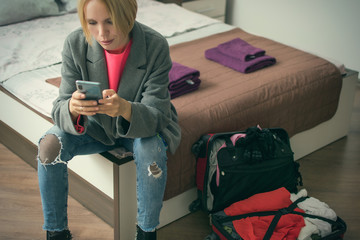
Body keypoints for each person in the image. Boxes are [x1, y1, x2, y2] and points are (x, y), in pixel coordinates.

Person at [37, 0, 181, 239]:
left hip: (139, 127)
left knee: (151, 151)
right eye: (92, 23)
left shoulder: (155, 45)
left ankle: (146, 232)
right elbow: (59, 106)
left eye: (110, 22)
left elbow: (157, 113)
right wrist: (73, 108)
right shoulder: (75, 43)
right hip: (94, 128)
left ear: (129, 15)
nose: (101, 33)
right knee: (49, 145)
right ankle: (56, 233)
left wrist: (124, 109)